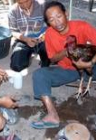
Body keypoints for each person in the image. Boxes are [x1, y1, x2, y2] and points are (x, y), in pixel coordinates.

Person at [31, 1, 96, 129]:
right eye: (52, 20)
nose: (57, 22)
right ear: (48, 22)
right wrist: (66, 52)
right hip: (68, 70)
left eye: (59, 16)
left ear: (66, 14)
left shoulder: (82, 26)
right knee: (39, 75)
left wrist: (89, 63)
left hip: (91, 65)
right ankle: (52, 115)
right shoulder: (49, 33)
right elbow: (53, 59)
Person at [8, 0, 50, 72]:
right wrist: (26, 39)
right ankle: (28, 56)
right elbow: (13, 31)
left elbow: (52, 24)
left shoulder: (43, 5)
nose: (25, 5)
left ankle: (44, 60)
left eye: (27, 1)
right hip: (23, 40)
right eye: (20, 3)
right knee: (16, 66)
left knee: (49, 61)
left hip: (43, 39)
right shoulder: (13, 11)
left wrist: (44, 35)